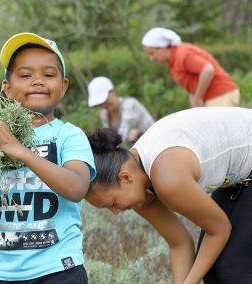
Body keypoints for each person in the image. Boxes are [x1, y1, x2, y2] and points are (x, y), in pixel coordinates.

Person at [0, 32, 96, 283]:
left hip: (60, 269)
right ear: (7, 89)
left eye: (48, 74)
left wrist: (21, 152)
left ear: (63, 86)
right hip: (7, 273)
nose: (37, 81)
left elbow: (77, 187)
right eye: (25, 75)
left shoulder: (68, 135)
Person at [85, 107, 252, 283]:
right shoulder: (138, 181)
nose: (116, 212)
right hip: (239, 176)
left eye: (112, 203)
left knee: (234, 268)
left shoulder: (167, 178)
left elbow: (219, 229)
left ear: (125, 177)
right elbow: (179, 243)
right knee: (211, 269)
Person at [141, 27, 240, 107]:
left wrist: (197, 97)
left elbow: (208, 70)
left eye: (152, 53)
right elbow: (192, 82)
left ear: (162, 48)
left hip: (221, 95)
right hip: (214, 98)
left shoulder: (183, 54)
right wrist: (195, 99)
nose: (151, 58)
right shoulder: (173, 60)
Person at [87, 76, 154, 144]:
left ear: (113, 91)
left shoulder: (130, 105)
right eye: (100, 103)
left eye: (105, 100)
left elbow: (121, 138)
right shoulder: (104, 114)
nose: (103, 105)